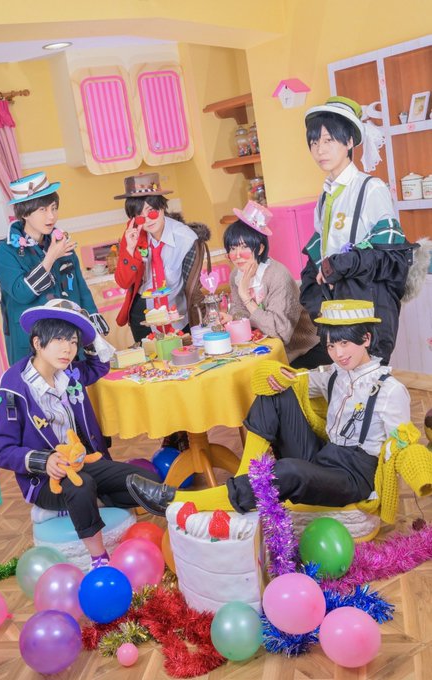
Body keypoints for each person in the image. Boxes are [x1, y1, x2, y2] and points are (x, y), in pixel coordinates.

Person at [125, 299, 412, 515]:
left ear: (366, 339)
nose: (338, 354)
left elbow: (402, 447)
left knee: (287, 471)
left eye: (345, 344)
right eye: (331, 346)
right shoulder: (334, 374)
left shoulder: (390, 390)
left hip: (353, 475)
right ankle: (243, 479)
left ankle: (178, 501)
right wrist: (275, 375)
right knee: (275, 394)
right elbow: (288, 381)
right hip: (325, 455)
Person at [0, 299, 159, 570]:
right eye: (59, 340)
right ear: (37, 343)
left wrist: (89, 332)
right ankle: (99, 558)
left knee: (146, 481)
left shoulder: (69, 373)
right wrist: (44, 461)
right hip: (46, 480)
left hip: (84, 463)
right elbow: (1, 450)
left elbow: (100, 365)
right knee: (81, 487)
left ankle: (95, 501)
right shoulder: (12, 390)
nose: (67, 349)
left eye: (73, 341)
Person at [299, 96, 417, 364]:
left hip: (368, 305)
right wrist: (316, 294)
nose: (320, 150)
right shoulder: (324, 197)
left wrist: (340, 264)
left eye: (328, 140)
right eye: (314, 143)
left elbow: (392, 256)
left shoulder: (370, 188)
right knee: (344, 379)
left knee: (369, 376)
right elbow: (318, 254)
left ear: (349, 141)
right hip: (335, 307)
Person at [0, 172, 109, 365]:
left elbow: (80, 286)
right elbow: (21, 293)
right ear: (24, 213)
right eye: (43, 210)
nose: (51, 216)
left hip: (70, 338)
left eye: (54, 208)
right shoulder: (5, 250)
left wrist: (92, 319)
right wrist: (51, 257)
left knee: (77, 382)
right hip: (35, 342)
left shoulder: (60, 242)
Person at [218, 201, 326, 369]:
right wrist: (232, 318)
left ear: (260, 248)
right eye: (232, 248)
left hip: (301, 350)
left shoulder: (277, 275)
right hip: (263, 347)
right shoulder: (236, 276)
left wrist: (246, 297)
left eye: (244, 247)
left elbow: (278, 332)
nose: (237, 255)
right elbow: (240, 313)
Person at [114, 172, 210, 343]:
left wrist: (202, 321)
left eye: (152, 212)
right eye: (140, 217)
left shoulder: (186, 239)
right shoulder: (133, 236)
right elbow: (123, 282)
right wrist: (129, 249)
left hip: (177, 316)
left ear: (162, 207)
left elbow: (192, 288)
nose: (147, 221)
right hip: (143, 316)